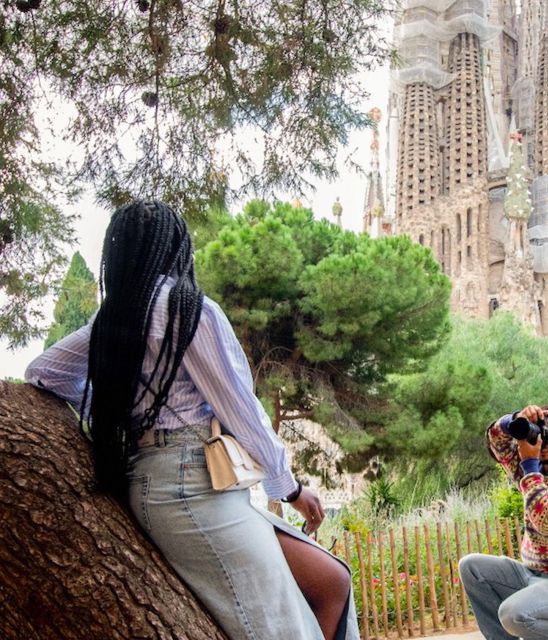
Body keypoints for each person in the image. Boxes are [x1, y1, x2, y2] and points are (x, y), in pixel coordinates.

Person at [25, 200, 357, 640]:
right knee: (284, 629)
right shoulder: (188, 309)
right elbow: (239, 407)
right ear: (175, 249)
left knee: (330, 580)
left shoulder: (113, 318)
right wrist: (288, 488)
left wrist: (112, 408)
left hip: (176, 483)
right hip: (189, 489)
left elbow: (42, 372)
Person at [459, 405, 548, 640]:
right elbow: (497, 442)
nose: (541, 441)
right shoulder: (536, 472)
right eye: (539, 432)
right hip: (532, 574)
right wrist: (516, 419)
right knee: (471, 567)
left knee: (513, 614)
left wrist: (530, 468)